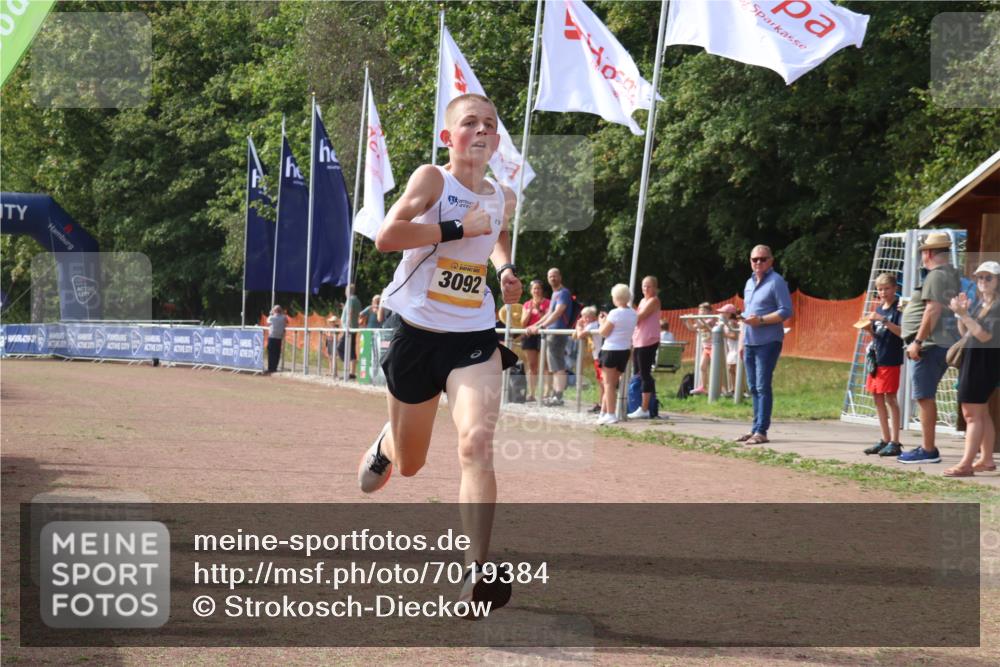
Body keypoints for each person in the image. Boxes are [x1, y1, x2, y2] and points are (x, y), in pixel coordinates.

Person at [357, 93, 522, 614]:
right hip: (416, 333)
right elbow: (387, 236)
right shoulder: (433, 179)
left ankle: (476, 572)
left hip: (473, 335)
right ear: (449, 136)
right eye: (470, 123)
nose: (482, 130)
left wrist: (505, 269)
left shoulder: (502, 195)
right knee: (410, 465)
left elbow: (496, 234)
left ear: (497, 140)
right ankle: (388, 443)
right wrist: (455, 228)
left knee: (476, 442)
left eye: (490, 124)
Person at [897, 232, 962, 464]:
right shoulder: (948, 274)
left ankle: (928, 449)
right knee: (925, 396)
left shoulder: (935, 275)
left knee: (924, 396)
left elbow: (932, 310)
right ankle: (927, 446)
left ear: (929, 253)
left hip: (930, 345)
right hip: (939, 342)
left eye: (924, 251)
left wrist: (917, 341)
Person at [943, 261, 1000, 477]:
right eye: (980, 277)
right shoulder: (982, 304)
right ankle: (986, 459)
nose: (983, 281)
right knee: (981, 413)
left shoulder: (997, 306)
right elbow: (966, 333)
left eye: (988, 277)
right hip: (976, 361)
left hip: (983, 364)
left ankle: (966, 464)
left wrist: (964, 315)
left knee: (971, 414)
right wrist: (962, 314)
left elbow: (985, 336)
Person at [736, 245, 793, 445]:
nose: (758, 262)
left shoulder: (776, 281)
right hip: (750, 341)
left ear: (771, 260)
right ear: (750, 261)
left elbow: (786, 311)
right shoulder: (749, 283)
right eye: (755, 259)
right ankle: (754, 429)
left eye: (763, 259)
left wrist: (760, 320)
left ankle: (762, 431)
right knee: (753, 387)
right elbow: (746, 315)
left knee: (762, 386)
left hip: (768, 341)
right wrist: (741, 341)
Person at [859, 273, 905, 457]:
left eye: (887, 288)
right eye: (880, 289)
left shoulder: (899, 308)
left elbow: (902, 332)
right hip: (877, 359)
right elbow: (878, 336)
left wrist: (883, 320)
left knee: (890, 398)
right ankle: (885, 438)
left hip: (891, 359)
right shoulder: (879, 308)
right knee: (877, 397)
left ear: (895, 288)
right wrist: (869, 329)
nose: (883, 292)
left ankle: (895, 441)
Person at [526, 267, 572, 406]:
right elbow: (549, 314)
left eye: (555, 275)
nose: (552, 278)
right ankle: (555, 395)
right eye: (550, 276)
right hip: (551, 332)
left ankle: (558, 396)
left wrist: (541, 326)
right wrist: (535, 325)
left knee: (557, 365)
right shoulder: (555, 293)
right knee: (554, 366)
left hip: (557, 332)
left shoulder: (563, 293)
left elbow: (558, 312)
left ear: (560, 277)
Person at [597, 284, 638, 425]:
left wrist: (602, 322)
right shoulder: (633, 313)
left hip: (611, 350)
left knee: (608, 385)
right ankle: (603, 413)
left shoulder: (614, 313)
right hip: (624, 350)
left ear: (616, 297)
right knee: (612, 384)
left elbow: (604, 332)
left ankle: (610, 414)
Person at [628, 276, 661, 419]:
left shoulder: (654, 301)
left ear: (655, 288)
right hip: (639, 340)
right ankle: (639, 403)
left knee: (644, 374)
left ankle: (645, 408)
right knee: (638, 373)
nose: (645, 289)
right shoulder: (642, 301)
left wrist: (627, 313)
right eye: (643, 286)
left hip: (648, 340)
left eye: (648, 286)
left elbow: (639, 317)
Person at [519, 279, 550, 403]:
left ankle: (546, 393)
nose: (536, 291)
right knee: (532, 365)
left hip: (543, 334)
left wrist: (539, 310)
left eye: (538, 288)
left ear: (542, 290)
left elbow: (547, 320)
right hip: (529, 335)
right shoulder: (527, 304)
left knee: (545, 365)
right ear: (531, 291)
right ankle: (531, 393)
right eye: (534, 289)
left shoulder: (548, 303)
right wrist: (530, 311)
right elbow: (523, 323)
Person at [573, 305, 603, 413]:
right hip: (597, 355)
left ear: (593, 317)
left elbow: (579, 335)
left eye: (587, 317)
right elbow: (575, 335)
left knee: (603, 382)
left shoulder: (592, 325)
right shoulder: (593, 325)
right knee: (601, 381)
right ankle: (601, 403)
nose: (584, 319)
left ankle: (603, 405)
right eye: (583, 317)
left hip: (599, 356)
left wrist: (578, 325)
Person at [684, 302, 714, 395]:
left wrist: (695, 318)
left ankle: (719, 387)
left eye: (704, 310)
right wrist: (687, 320)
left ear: (709, 312)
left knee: (715, 368)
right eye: (700, 310)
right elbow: (692, 328)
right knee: (702, 367)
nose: (701, 312)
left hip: (714, 347)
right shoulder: (701, 320)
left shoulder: (710, 320)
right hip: (706, 348)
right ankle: (704, 387)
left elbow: (702, 325)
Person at [337, 284, 363, 379]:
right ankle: (352, 373)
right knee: (351, 350)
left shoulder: (350, 300)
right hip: (353, 328)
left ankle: (347, 369)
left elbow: (350, 312)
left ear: (347, 291)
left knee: (340, 348)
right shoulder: (357, 300)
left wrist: (347, 324)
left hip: (349, 329)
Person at [717, 304, 741, 397]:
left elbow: (734, 336)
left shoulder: (731, 323)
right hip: (732, 349)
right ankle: (734, 389)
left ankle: (738, 389)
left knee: (734, 369)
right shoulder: (728, 323)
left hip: (735, 348)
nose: (721, 314)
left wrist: (723, 334)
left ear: (729, 314)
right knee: (731, 370)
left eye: (723, 312)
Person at [265, 305, 287, 374]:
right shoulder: (284, 317)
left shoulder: (271, 317)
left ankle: (270, 368)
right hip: (279, 337)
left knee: (271, 353)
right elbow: (286, 322)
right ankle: (274, 368)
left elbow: (267, 323)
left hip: (272, 337)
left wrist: (271, 314)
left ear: (274, 311)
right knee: (277, 353)